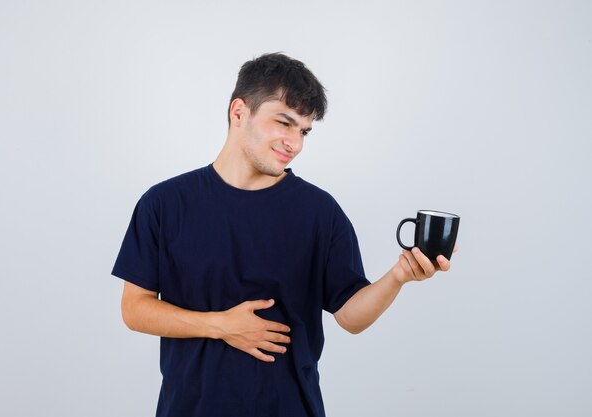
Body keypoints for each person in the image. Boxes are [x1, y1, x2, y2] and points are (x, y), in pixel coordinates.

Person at [111, 52, 457, 417]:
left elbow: (350, 317)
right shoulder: (164, 204)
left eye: (304, 130)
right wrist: (220, 326)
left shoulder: (320, 213)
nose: (295, 142)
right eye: (284, 123)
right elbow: (134, 309)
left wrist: (398, 276)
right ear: (239, 112)